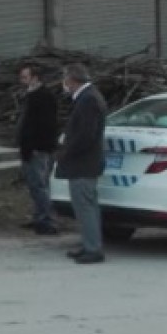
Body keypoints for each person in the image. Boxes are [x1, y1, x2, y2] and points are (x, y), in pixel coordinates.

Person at [58, 63, 108, 264]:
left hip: (83, 162)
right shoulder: (88, 97)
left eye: (65, 79)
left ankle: (93, 248)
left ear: (72, 79)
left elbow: (85, 135)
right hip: (85, 161)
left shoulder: (88, 100)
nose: (64, 84)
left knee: (85, 206)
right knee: (85, 206)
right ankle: (89, 244)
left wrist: (65, 152)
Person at [17, 63, 60, 235]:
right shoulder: (31, 96)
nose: (22, 81)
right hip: (33, 148)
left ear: (35, 78)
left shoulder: (42, 97)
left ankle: (46, 220)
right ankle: (39, 216)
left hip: (38, 149)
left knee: (39, 184)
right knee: (36, 185)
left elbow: (44, 125)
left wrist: (36, 146)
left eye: (25, 77)